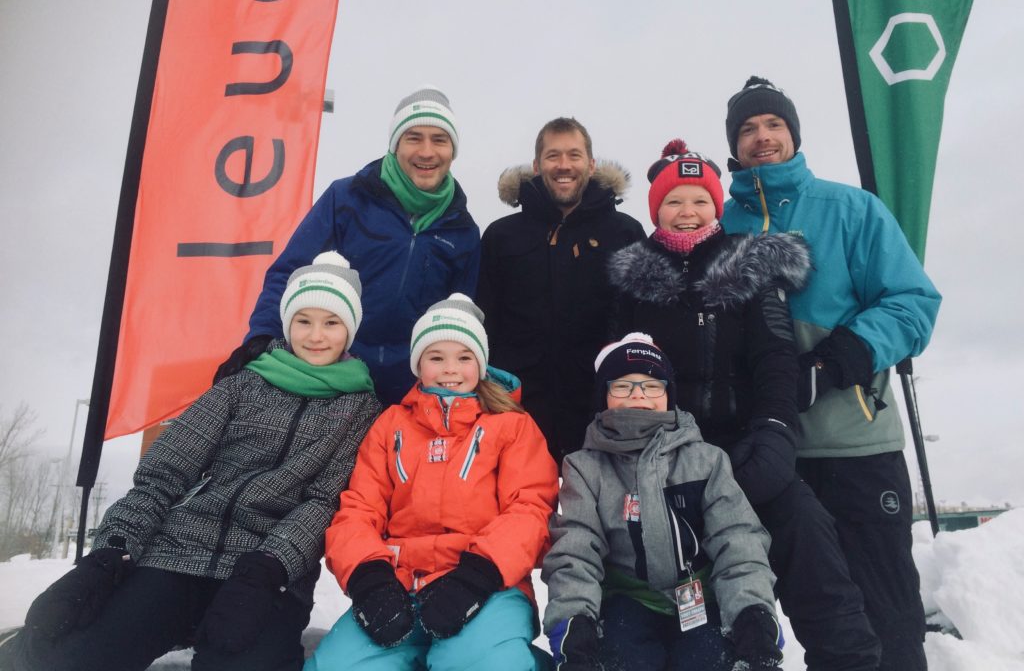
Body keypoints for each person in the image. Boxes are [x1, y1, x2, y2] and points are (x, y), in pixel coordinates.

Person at [0, 252, 381, 671]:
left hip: (269, 572)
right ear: (288, 323)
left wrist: (269, 566)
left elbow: (324, 502)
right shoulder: (243, 384)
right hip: (179, 551)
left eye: (331, 323)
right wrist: (112, 550)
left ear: (350, 330)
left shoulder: (360, 409)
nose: (316, 335)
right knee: (76, 655)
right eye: (304, 320)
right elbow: (164, 473)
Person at [607, 139, 881, 670]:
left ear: (717, 207)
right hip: (663, 456)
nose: (687, 212)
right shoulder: (633, 282)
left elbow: (775, 358)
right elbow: (620, 371)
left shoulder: (748, 267)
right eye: (674, 201)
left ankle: (848, 660)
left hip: (743, 447)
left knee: (805, 527)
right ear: (656, 210)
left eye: (700, 200)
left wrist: (775, 431)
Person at [720, 76, 942, 671]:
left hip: (855, 447)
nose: (762, 137)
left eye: (774, 125)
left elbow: (913, 303)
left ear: (794, 134)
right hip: (767, 457)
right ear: (734, 146)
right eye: (748, 129)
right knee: (809, 624)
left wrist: (835, 359)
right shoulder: (720, 227)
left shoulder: (853, 209)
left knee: (885, 616)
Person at [305, 294, 559, 670]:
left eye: (464, 357)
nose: (449, 369)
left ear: (480, 364)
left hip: (487, 585)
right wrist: (369, 579)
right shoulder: (391, 425)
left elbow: (530, 508)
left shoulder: (512, 426)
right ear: (418, 364)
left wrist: (476, 577)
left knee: (479, 663)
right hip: (400, 583)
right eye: (436, 357)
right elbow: (359, 507)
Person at [216, 87, 480, 407]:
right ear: (395, 145)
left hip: (409, 389)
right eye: (413, 138)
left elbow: (460, 317)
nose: (427, 152)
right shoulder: (347, 198)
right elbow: (291, 273)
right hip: (335, 376)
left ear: (453, 150)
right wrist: (261, 336)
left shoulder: (462, 230)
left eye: (439, 140)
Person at [542, 333, 784, 671]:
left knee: (709, 661)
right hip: (627, 600)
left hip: (701, 598)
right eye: (622, 386)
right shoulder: (584, 468)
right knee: (622, 661)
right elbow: (576, 551)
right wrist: (575, 621)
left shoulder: (707, 460)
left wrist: (751, 613)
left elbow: (737, 539)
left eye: (652, 386)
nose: (638, 394)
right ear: (603, 397)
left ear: (669, 396)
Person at [477, 117, 645, 465]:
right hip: (517, 412)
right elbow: (485, 325)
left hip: (600, 413)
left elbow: (640, 324)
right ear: (537, 166)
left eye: (574, 155)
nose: (564, 165)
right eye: (553, 156)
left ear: (591, 164)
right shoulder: (501, 236)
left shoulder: (625, 233)